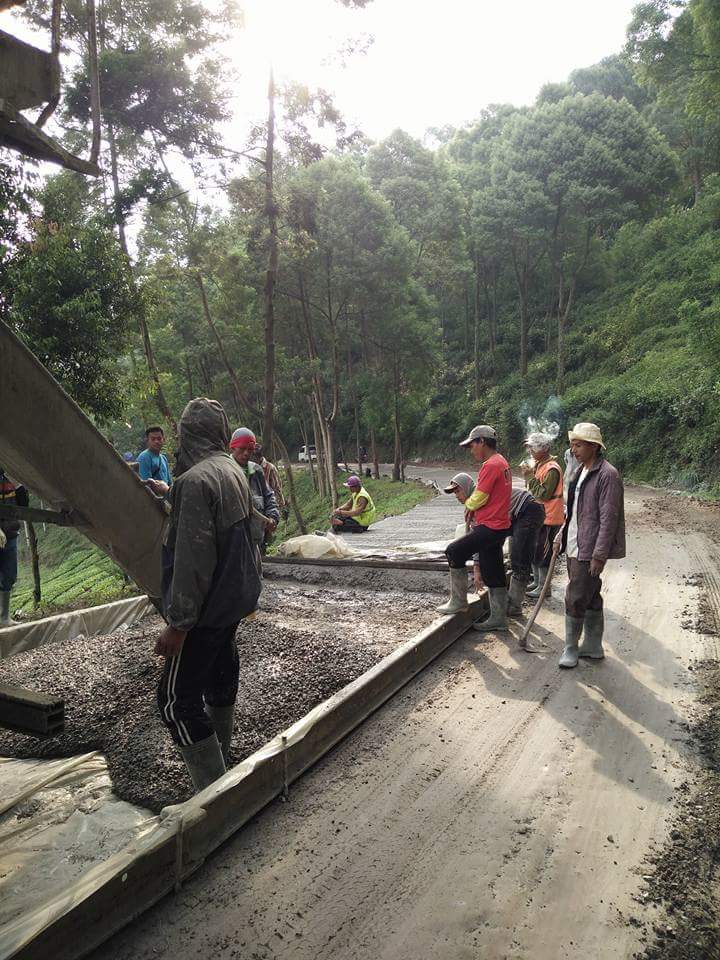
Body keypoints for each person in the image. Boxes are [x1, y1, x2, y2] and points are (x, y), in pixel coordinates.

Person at [156, 399, 262, 793]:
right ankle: (225, 758)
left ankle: (215, 796)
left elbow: (192, 561)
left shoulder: (195, 482)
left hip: (205, 610)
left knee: (175, 701)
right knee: (220, 675)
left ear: (188, 434)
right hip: (232, 601)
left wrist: (179, 625)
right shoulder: (231, 470)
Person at [558, 422, 625, 669]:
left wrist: (599, 554)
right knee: (591, 593)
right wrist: (561, 535)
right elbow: (573, 511)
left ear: (594, 446)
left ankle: (571, 648)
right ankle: (593, 646)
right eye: (572, 444)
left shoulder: (607, 474)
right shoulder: (580, 471)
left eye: (578, 444)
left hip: (588, 548)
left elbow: (609, 519)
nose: (573, 449)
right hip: (575, 543)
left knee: (575, 596)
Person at [438, 425, 512, 633]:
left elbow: (481, 495)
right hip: (500, 525)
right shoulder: (502, 462)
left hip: (491, 525)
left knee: (454, 551)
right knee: (493, 569)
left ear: (482, 442)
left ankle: (458, 601)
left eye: (472, 445)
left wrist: (469, 506)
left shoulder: (491, 465)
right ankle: (499, 618)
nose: (472, 450)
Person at [443, 475, 543, 618]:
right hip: (512, 517)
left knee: (519, 559)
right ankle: (501, 611)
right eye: (454, 493)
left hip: (527, 510)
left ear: (467, 488)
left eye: (458, 491)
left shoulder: (481, 497)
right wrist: (477, 570)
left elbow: (482, 536)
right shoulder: (473, 506)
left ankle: (513, 606)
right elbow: (480, 539)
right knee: (491, 552)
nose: (456, 496)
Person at [522, 432, 564, 600]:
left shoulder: (552, 469)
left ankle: (544, 587)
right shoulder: (540, 464)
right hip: (541, 515)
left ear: (544, 449)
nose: (530, 451)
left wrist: (530, 477)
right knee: (536, 550)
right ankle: (538, 582)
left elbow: (543, 494)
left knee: (544, 552)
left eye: (533, 447)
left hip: (549, 516)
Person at [229, 428, 280, 553]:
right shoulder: (225, 471)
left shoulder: (256, 471)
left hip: (256, 540)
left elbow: (268, 496)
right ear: (232, 448)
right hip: (232, 544)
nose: (246, 453)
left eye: (250, 450)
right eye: (242, 449)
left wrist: (272, 517)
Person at [0, 467, 28, 627]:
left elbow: (23, 505)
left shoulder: (11, 476)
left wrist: (18, 485)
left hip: (10, 534)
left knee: (9, 575)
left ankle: (4, 618)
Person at [254, 442, 288, 523]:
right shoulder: (251, 467)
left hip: (268, 504)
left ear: (259, 456)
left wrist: (280, 506)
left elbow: (277, 488)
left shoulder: (270, 468)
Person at [137, 426, 172, 496]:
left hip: (165, 499)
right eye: (153, 439)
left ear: (163, 440)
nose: (156, 441)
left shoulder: (163, 458)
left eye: (159, 439)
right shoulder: (144, 457)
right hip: (154, 501)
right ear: (147, 441)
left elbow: (169, 482)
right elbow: (146, 485)